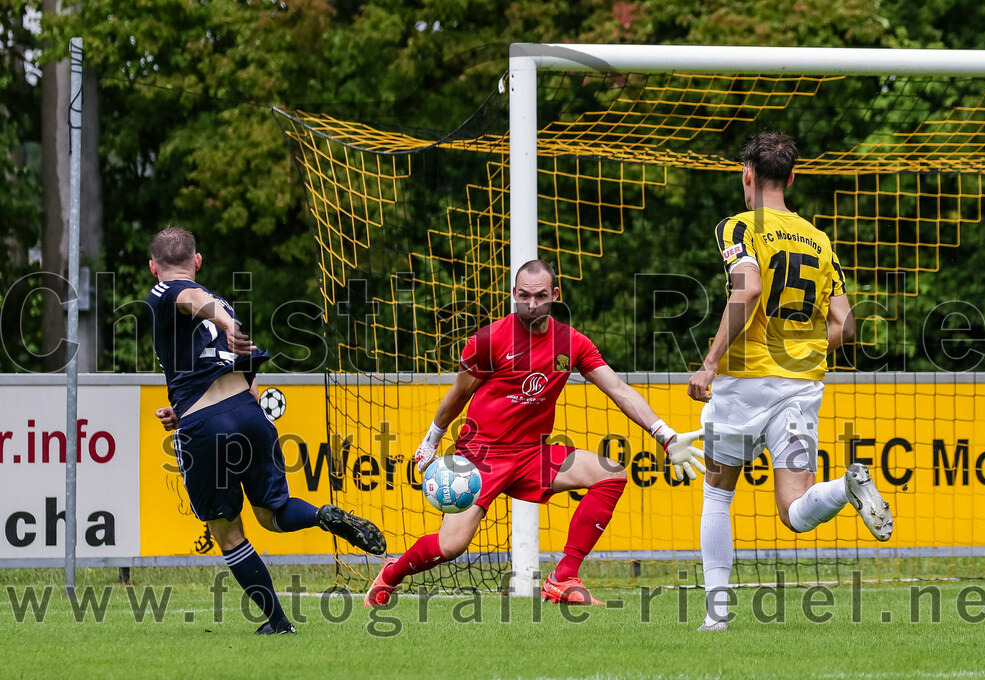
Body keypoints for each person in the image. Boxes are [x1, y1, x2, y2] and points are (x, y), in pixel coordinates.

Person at [364, 259, 706, 606]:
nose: (531, 304)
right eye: (524, 296)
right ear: (514, 294)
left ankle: (562, 577)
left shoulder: (572, 343)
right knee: (451, 547)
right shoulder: (489, 340)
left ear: (555, 294)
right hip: (481, 457)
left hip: (532, 455)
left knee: (611, 475)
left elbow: (618, 389)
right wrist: (431, 439)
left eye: (540, 296)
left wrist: (664, 433)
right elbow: (459, 394)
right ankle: (391, 573)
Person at [687, 131, 894, 631]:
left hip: (745, 383)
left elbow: (749, 287)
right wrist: (799, 349)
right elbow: (845, 325)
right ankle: (845, 488)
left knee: (717, 491)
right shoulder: (820, 240)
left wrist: (711, 361)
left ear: (748, 176)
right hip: (802, 385)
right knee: (794, 510)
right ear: (793, 178)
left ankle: (717, 617)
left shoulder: (739, 225)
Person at [145, 226, 386, 634]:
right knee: (273, 513)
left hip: (207, 427)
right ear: (198, 260)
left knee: (228, 532)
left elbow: (190, 297)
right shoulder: (225, 303)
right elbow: (241, 372)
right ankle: (323, 516)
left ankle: (278, 623)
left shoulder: (168, 293)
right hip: (249, 414)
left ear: (154, 267)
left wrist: (219, 324)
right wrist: (182, 408)